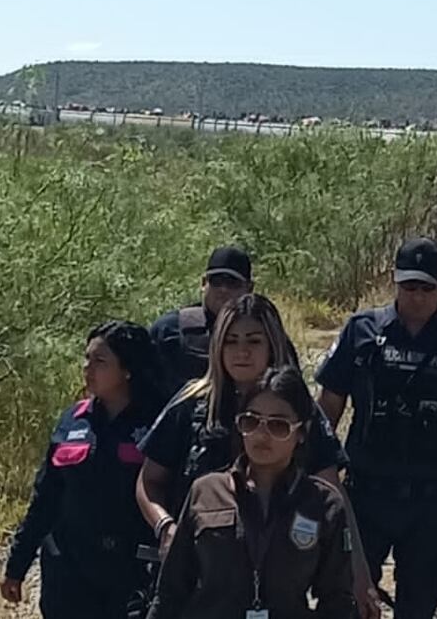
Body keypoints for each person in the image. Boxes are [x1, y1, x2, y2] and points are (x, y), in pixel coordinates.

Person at [137, 294, 380, 618]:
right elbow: (148, 480)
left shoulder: (300, 408)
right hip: (205, 566)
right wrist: (166, 527)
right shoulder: (191, 403)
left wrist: (360, 573)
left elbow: (333, 496)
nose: (242, 352)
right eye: (231, 341)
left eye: (253, 341)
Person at [317, 237, 437, 619]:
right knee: (347, 602)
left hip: (431, 503)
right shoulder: (361, 332)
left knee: (420, 606)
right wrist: (309, 485)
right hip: (364, 499)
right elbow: (325, 414)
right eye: (409, 286)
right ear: (395, 281)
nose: (417, 297)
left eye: (427, 288)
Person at [147, 366, 354, 619]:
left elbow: (337, 601)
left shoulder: (324, 504)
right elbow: (171, 591)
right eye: (251, 421)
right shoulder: (206, 491)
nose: (261, 434)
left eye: (278, 426)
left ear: (301, 432)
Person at [2, 321, 164, 619]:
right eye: (86, 358)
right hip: (69, 573)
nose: (87, 368)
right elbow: (45, 498)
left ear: (127, 369)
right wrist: (17, 565)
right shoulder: (72, 420)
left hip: (132, 573)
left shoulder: (158, 422)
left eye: (99, 361)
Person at [150, 247, 254, 399]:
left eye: (233, 283)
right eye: (216, 281)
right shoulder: (169, 330)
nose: (223, 289)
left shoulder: (266, 335)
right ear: (204, 283)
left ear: (249, 288)